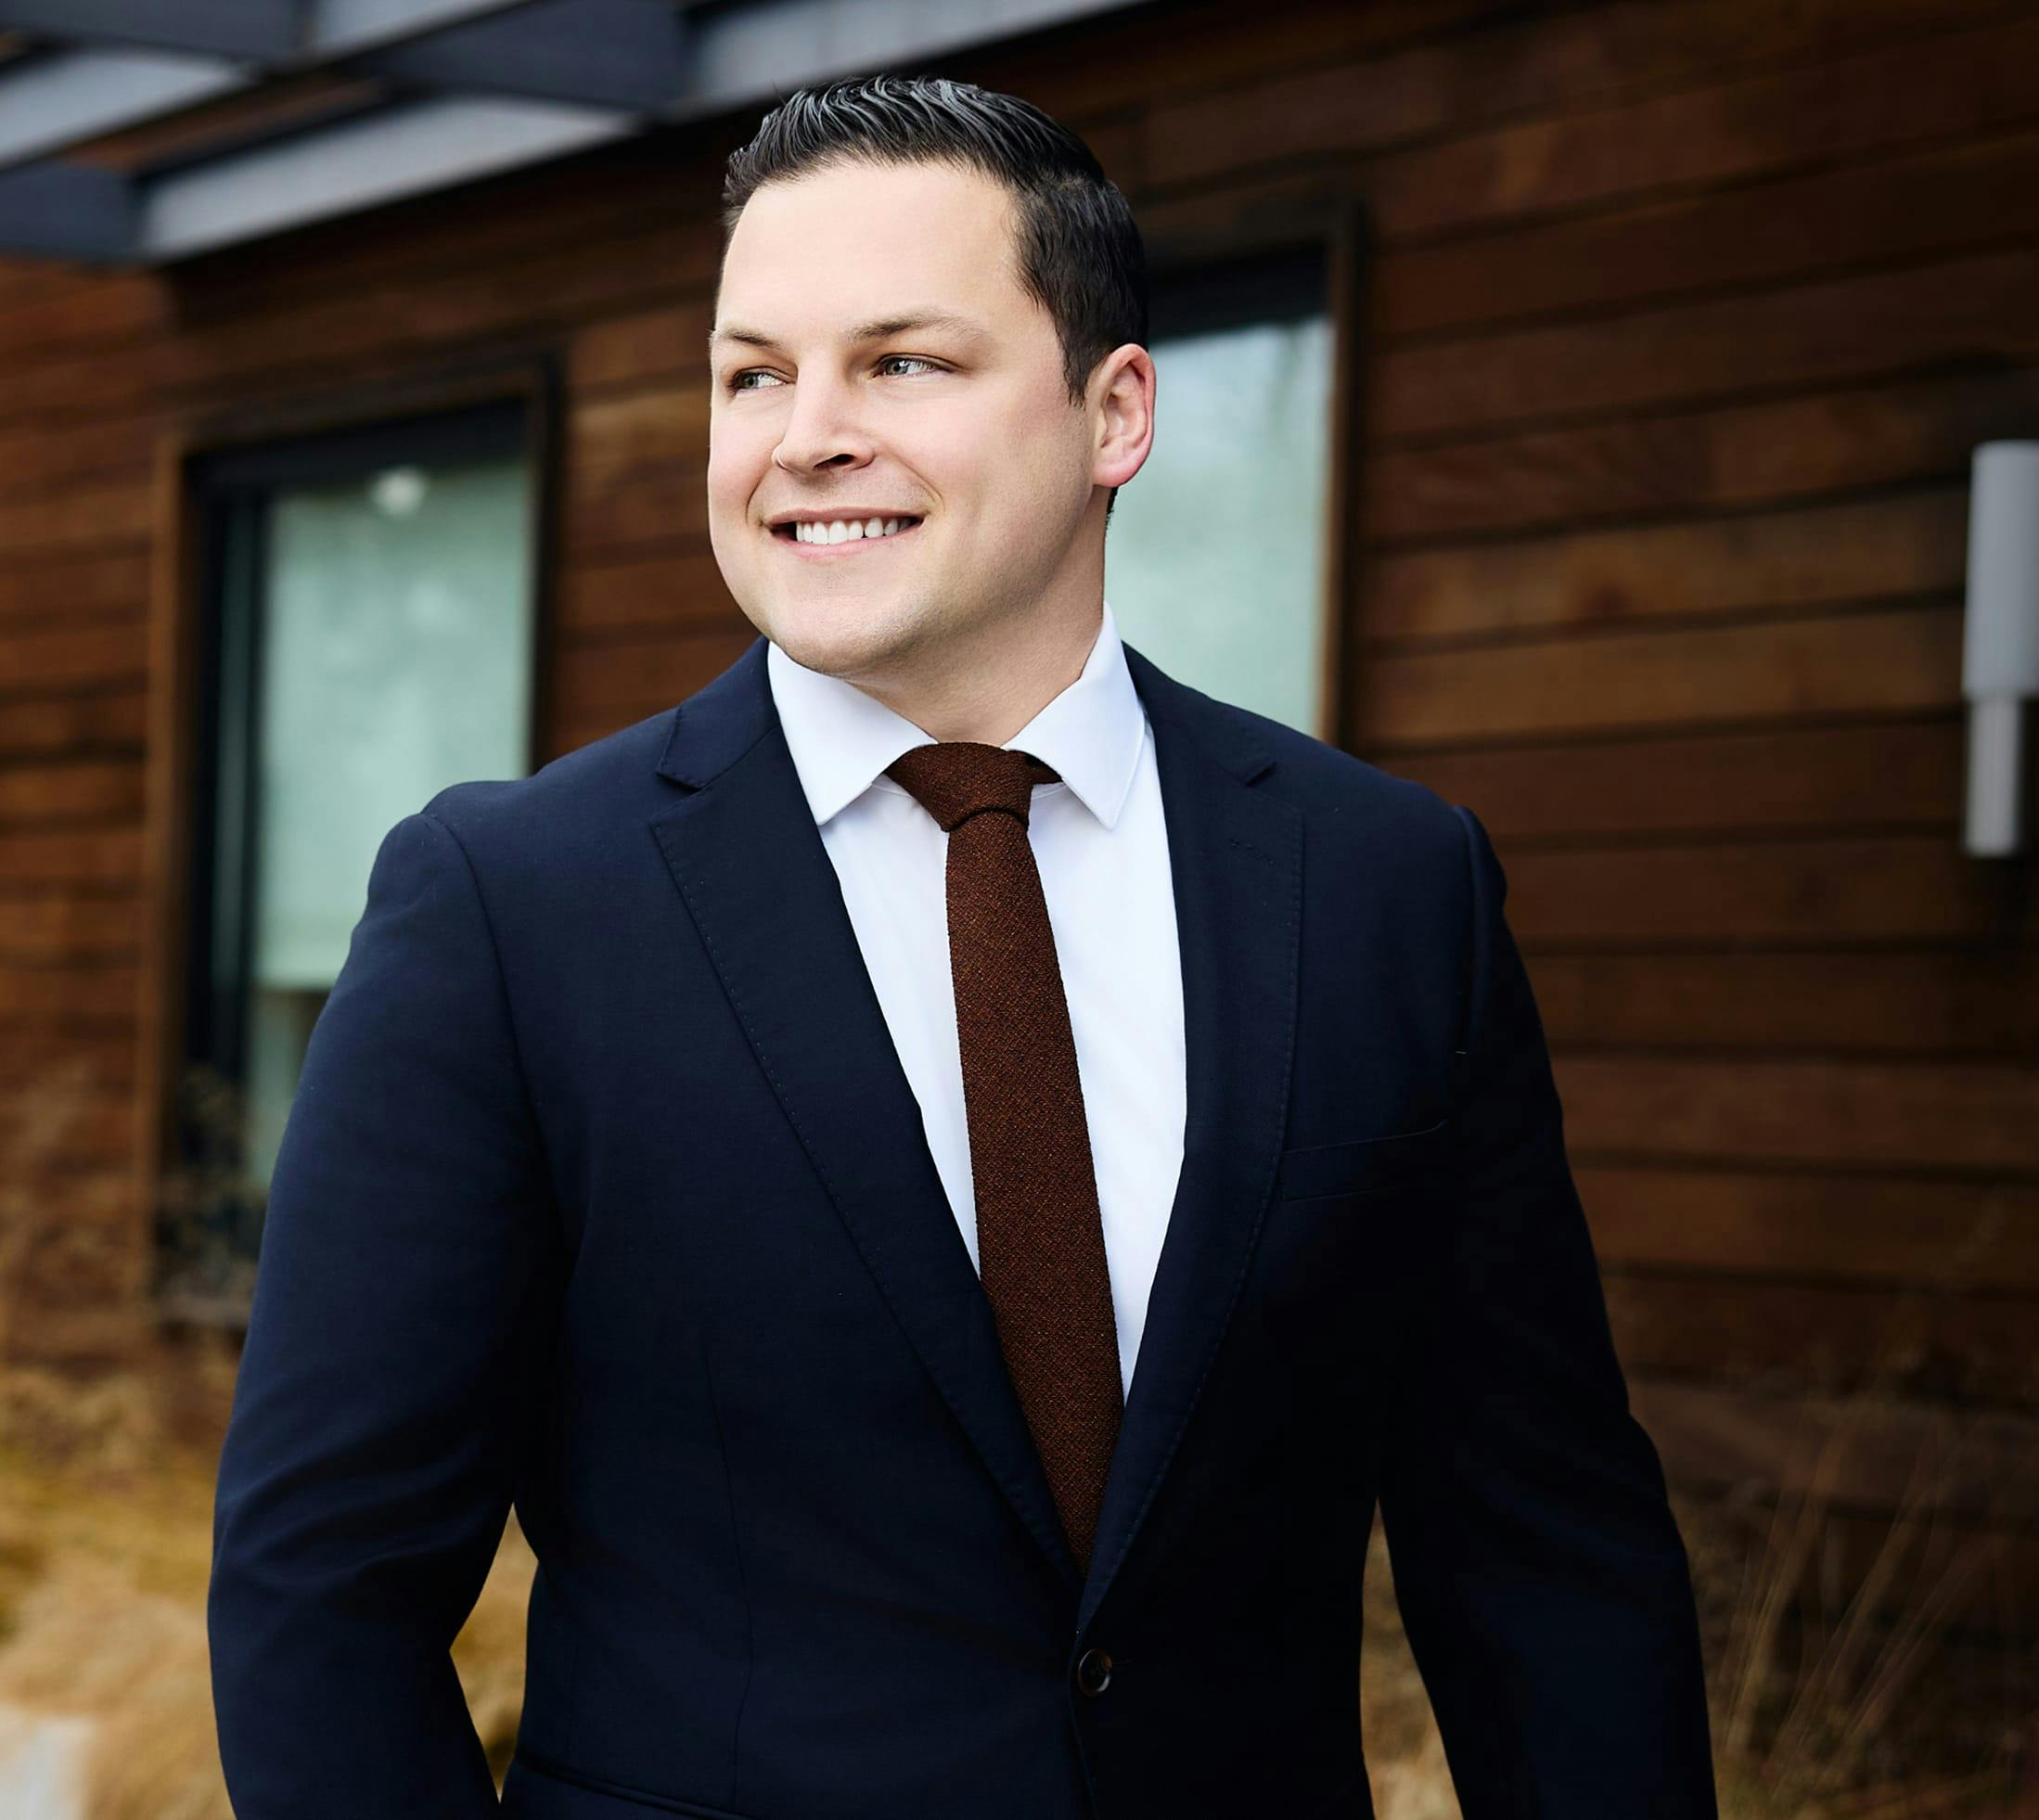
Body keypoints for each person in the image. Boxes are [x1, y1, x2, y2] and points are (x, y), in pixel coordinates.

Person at [208, 71, 1718, 1820]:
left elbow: (1546, 1561)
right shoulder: (510, 904)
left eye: (900, 362)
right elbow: (324, 1592)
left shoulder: (1386, 885)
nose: (805, 434)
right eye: (752, 373)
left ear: (1114, 412)